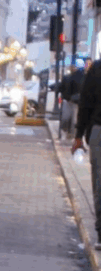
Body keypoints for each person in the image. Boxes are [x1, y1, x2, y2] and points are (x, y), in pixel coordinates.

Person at [73, 58, 101, 250]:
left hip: (99, 130)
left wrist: (78, 135)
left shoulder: (97, 69)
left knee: (100, 182)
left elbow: (85, 103)